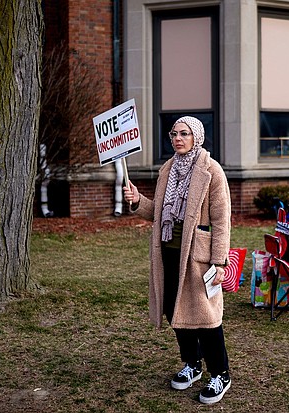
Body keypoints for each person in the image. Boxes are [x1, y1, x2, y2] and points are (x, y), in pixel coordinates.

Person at [123, 116, 232, 404]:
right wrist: (138, 200)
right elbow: (158, 212)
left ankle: (220, 373)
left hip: (198, 255)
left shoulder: (212, 170)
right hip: (168, 251)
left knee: (206, 317)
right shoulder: (168, 170)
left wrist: (219, 261)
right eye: (174, 133)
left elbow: (222, 220)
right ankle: (192, 364)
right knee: (176, 312)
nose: (178, 138)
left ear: (197, 136)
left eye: (184, 133)